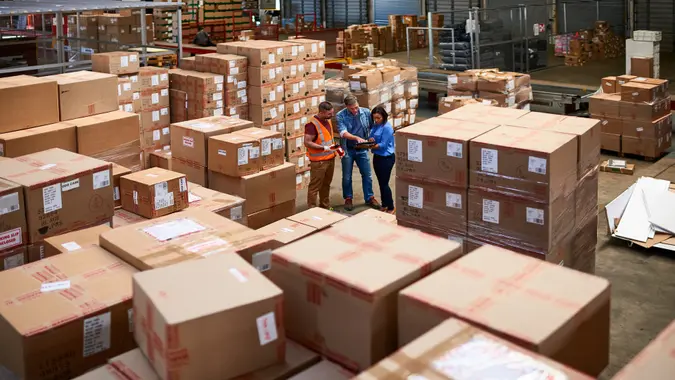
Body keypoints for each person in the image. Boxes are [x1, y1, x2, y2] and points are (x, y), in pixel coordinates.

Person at [336, 95, 380, 211]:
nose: (355, 111)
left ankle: (369, 197)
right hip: (348, 150)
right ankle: (348, 198)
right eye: (352, 109)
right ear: (346, 107)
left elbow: (373, 127)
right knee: (346, 176)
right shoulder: (341, 115)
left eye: (356, 107)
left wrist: (372, 138)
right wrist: (356, 138)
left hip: (362, 149)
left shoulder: (366, 112)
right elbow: (343, 133)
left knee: (367, 175)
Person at [304, 102, 338, 209]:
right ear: (321, 112)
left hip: (330, 159)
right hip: (319, 161)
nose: (331, 116)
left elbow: (328, 139)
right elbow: (307, 142)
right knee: (315, 186)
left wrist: (337, 150)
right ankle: (312, 209)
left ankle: (325, 206)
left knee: (326, 185)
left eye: (332, 113)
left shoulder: (327, 121)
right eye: (329, 114)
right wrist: (324, 148)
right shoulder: (312, 125)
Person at [368, 106, 396, 213]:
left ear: (383, 116)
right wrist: (370, 140)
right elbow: (371, 136)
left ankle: (391, 206)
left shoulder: (387, 127)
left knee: (384, 183)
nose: (376, 120)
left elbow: (383, 145)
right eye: (374, 118)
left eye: (378, 118)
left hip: (386, 158)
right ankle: (384, 204)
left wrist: (370, 146)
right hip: (377, 157)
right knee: (381, 182)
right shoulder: (376, 125)